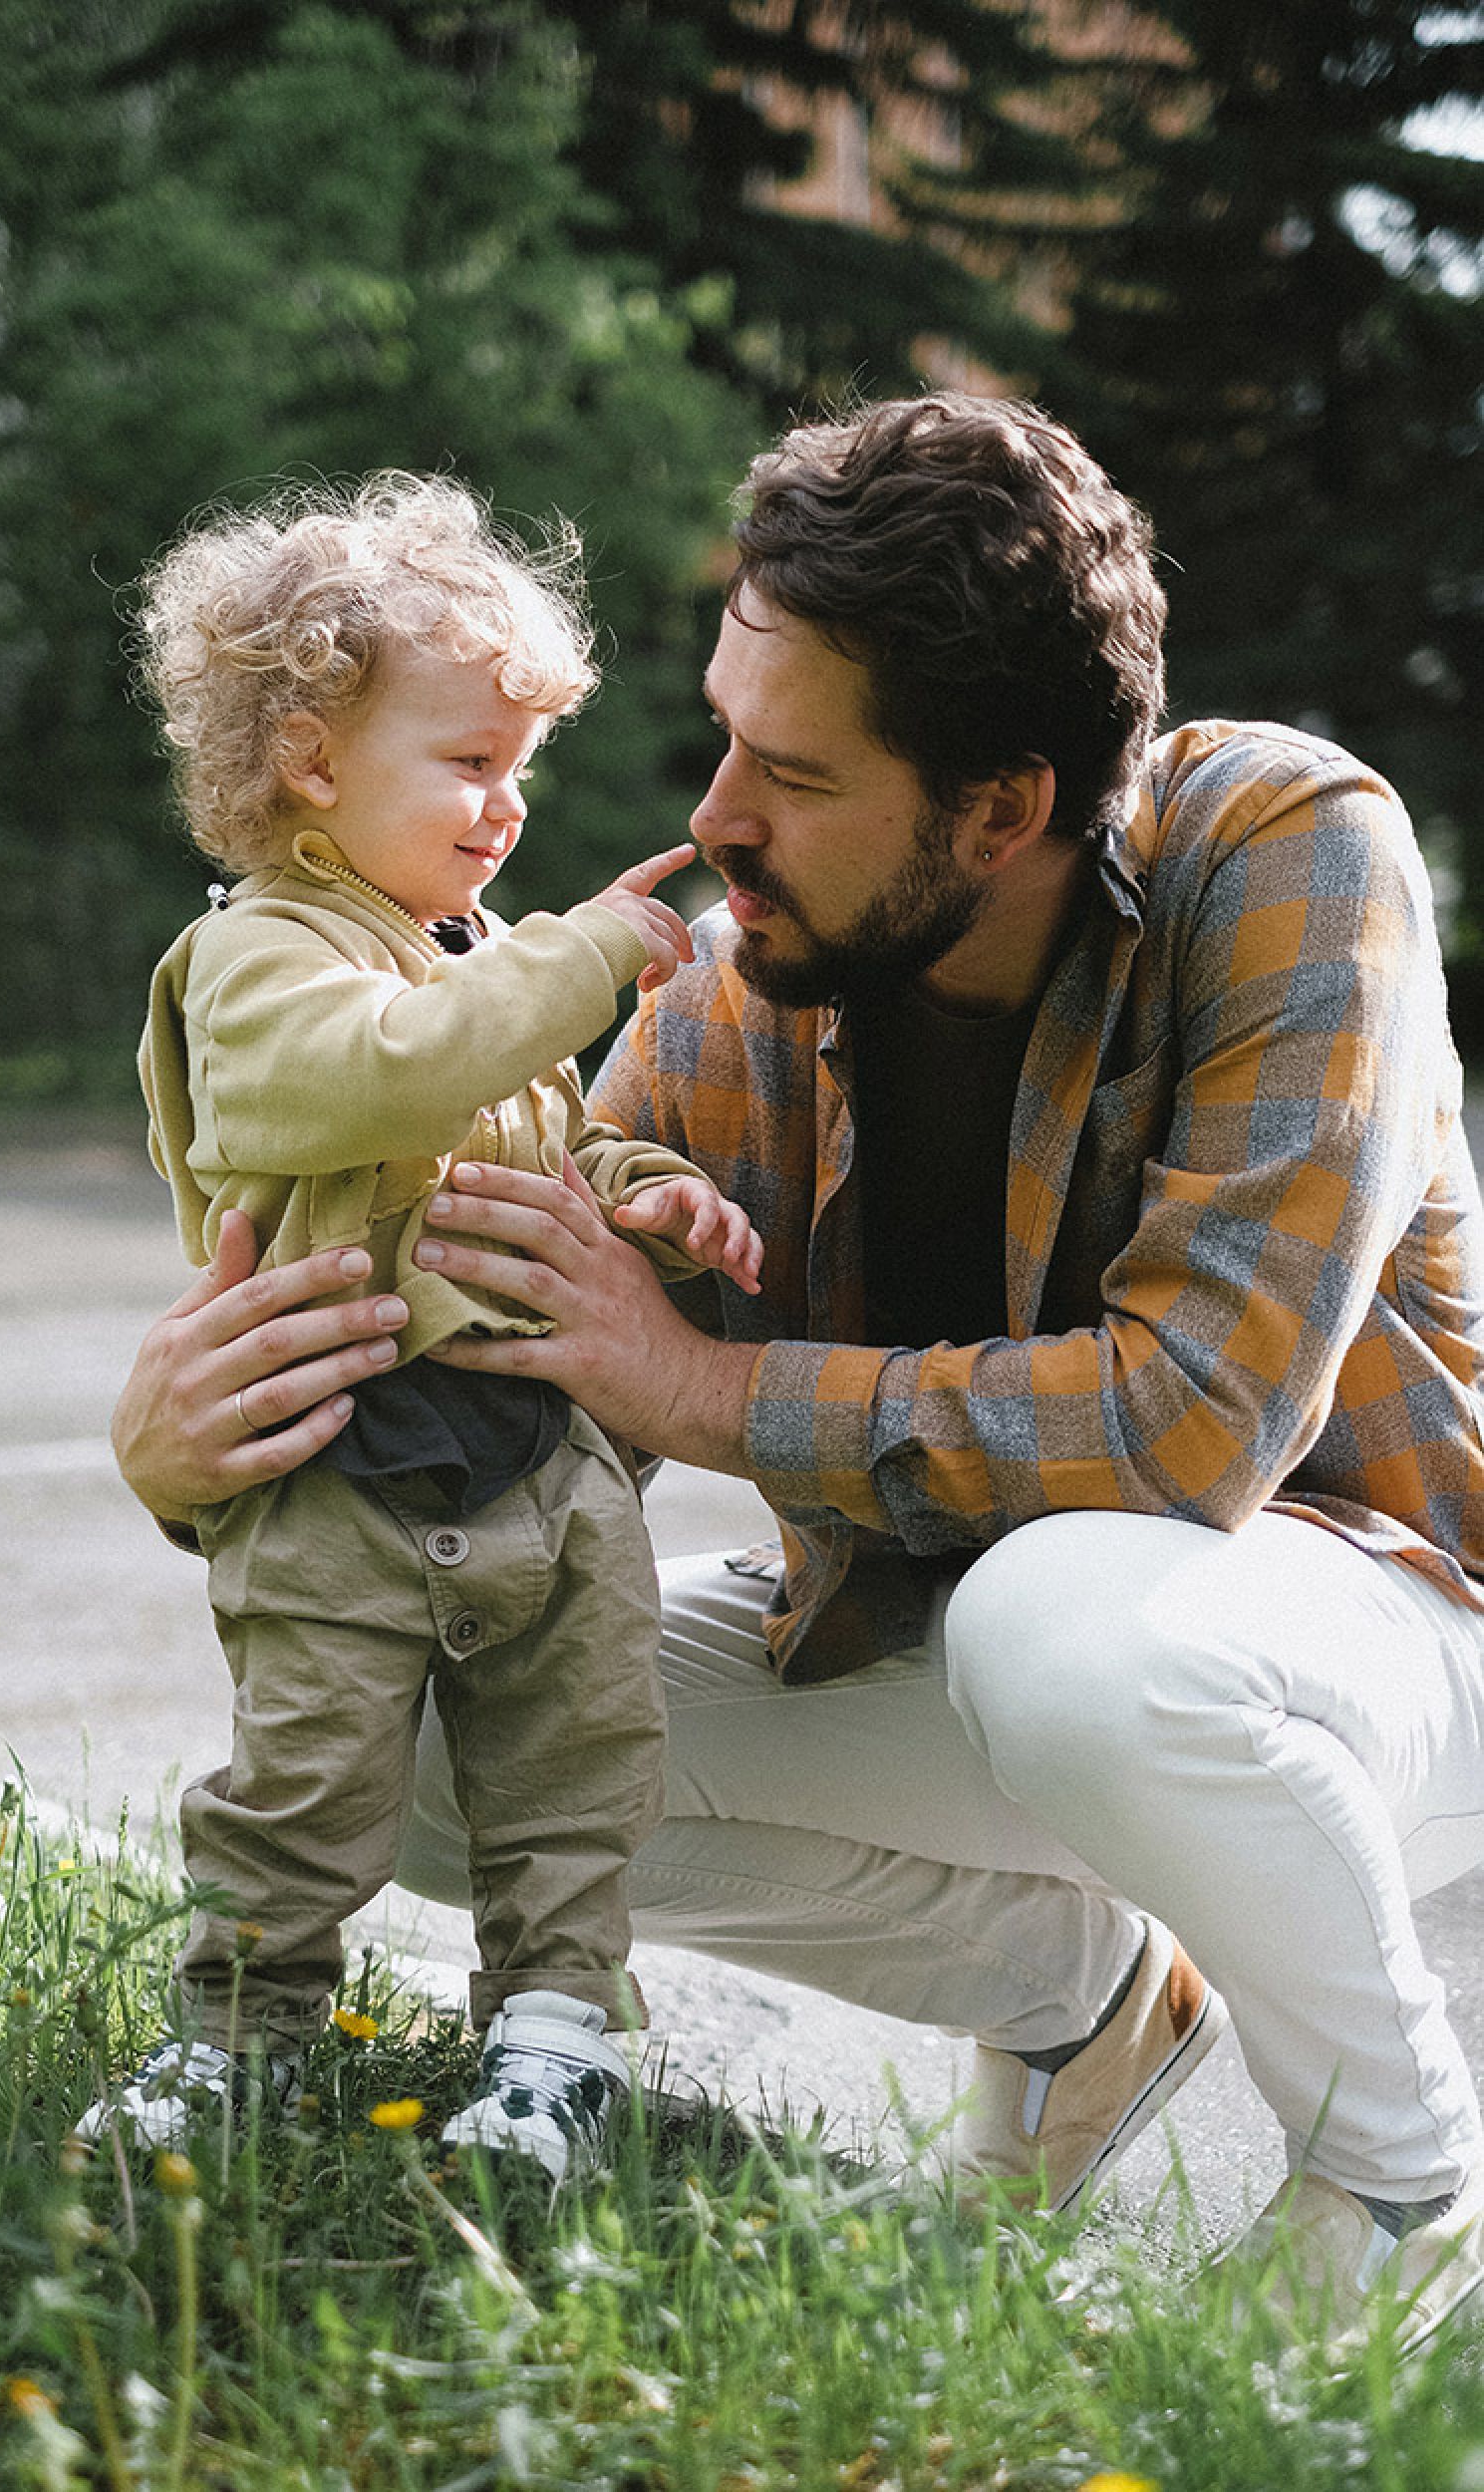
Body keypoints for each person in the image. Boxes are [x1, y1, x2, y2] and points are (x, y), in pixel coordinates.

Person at [111, 398, 1484, 2354]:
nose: (719, 809)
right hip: (951, 1645)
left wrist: (697, 1390)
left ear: (997, 806)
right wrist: (183, 1450)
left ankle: (1394, 2169)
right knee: (436, 1744)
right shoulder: (731, 985)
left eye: (794, 766)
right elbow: (528, 1391)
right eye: (725, 730)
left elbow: (1196, 1421)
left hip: (1370, 1631)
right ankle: (1083, 1992)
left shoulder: (1280, 848)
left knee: (1066, 1626)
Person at [78, 473, 762, 2183]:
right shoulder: (263, 960)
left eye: (519, 767)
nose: (509, 807)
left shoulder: (451, 962)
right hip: (341, 1478)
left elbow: (523, 1121)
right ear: (312, 762)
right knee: (304, 1787)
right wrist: (592, 951)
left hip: (533, 1468)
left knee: (577, 1774)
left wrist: (645, 1184)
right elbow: (378, 1079)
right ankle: (241, 2035)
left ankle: (551, 2044)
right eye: (471, 762)